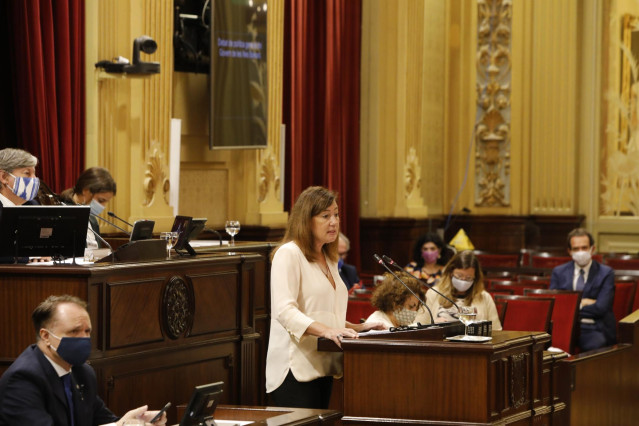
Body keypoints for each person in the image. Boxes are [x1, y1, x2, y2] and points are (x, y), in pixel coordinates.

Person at [265, 186, 384, 409]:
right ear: (306, 220)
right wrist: (327, 331)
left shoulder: (329, 258)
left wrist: (361, 328)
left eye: (336, 215)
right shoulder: (289, 254)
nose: (334, 222)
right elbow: (284, 311)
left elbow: (326, 315)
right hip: (295, 369)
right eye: (325, 216)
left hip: (325, 365)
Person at [0, 295, 166, 426]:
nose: (84, 339)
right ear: (46, 336)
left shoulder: (82, 372)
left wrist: (136, 422)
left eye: (87, 331)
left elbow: (104, 421)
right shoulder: (23, 379)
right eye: (74, 331)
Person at [550, 228, 616, 351]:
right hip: (565, 326)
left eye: (584, 248)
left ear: (592, 249)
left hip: (593, 327)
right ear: (569, 251)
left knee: (595, 345)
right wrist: (583, 303)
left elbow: (601, 308)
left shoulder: (606, 273)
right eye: (576, 249)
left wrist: (571, 306)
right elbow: (555, 307)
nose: (580, 252)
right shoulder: (559, 272)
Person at [417, 250, 502, 329]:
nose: (463, 281)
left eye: (468, 278)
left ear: (475, 278)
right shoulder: (433, 293)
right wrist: (432, 326)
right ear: (450, 273)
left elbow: (496, 331)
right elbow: (418, 327)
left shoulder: (484, 297)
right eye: (459, 276)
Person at [60, 167, 117, 249]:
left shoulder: (92, 220)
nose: (103, 206)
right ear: (85, 191)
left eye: (106, 201)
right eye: (101, 200)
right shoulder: (62, 214)